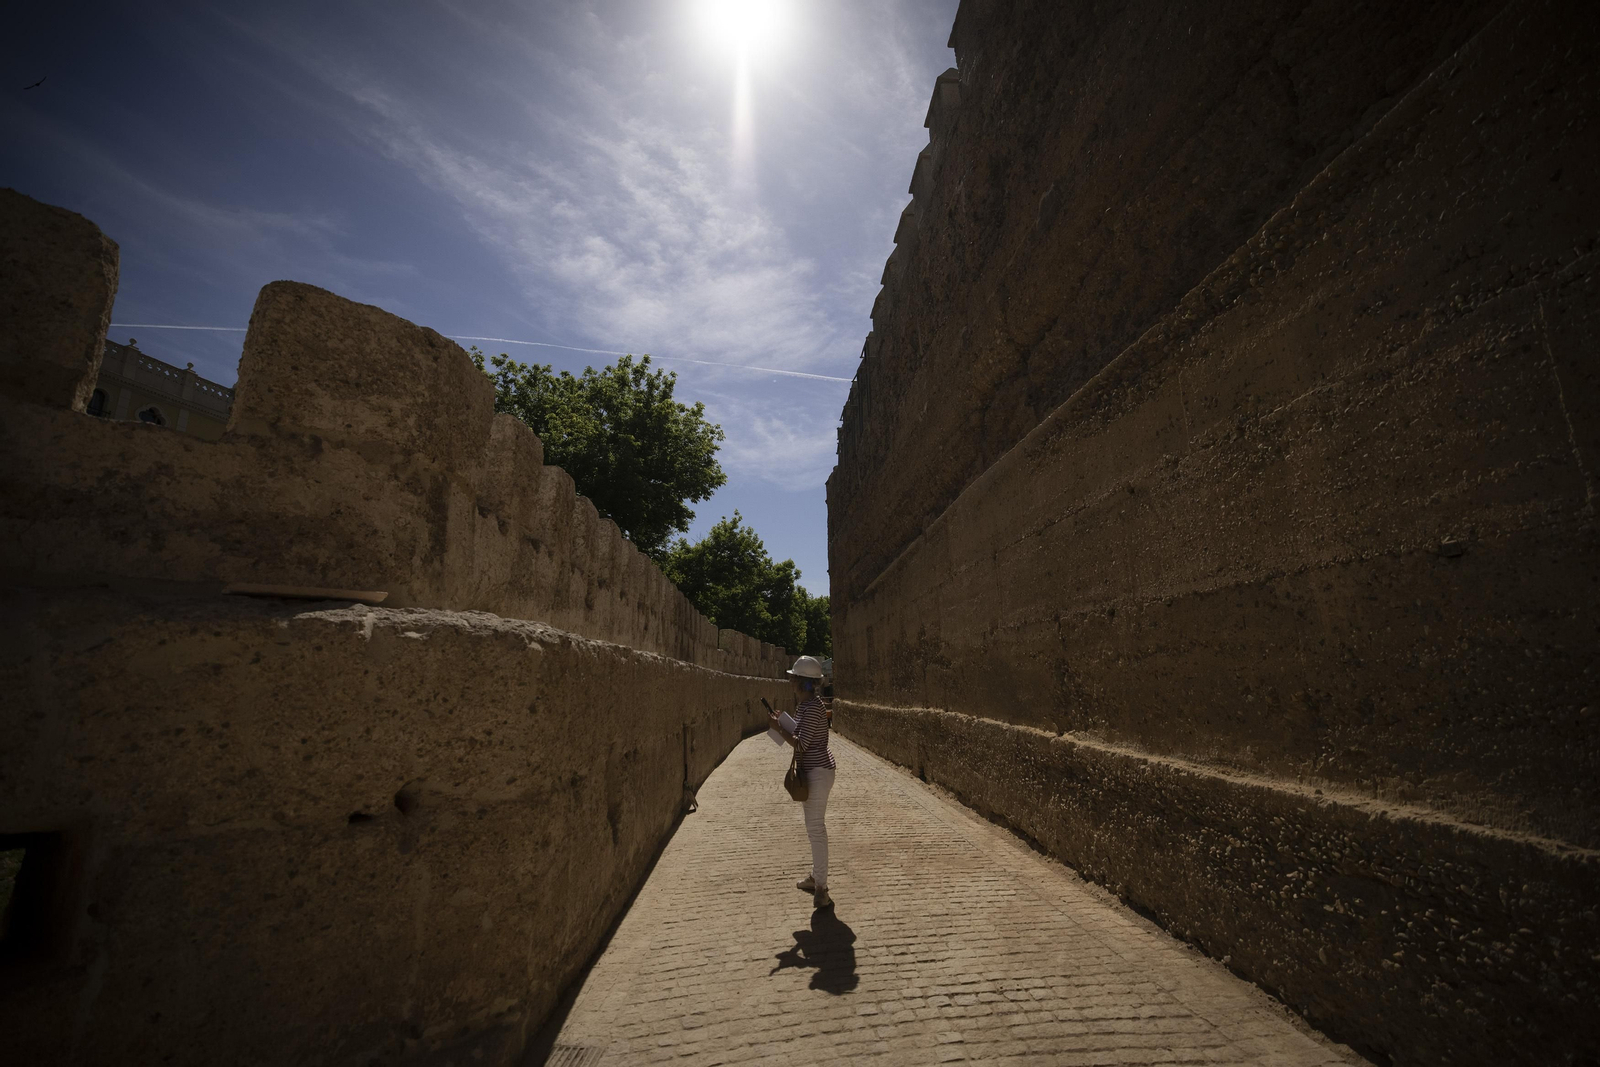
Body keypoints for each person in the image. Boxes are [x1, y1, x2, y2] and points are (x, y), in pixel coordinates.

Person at [768, 654, 836, 909]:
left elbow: (802, 743)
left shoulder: (811, 707)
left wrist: (778, 728)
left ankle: (821, 888)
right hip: (816, 770)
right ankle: (817, 878)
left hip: (817, 771)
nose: (791, 682)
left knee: (816, 828)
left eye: (794, 678)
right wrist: (783, 722)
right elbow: (802, 732)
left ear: (803, 682)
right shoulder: (808, 706)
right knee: (813, 828)